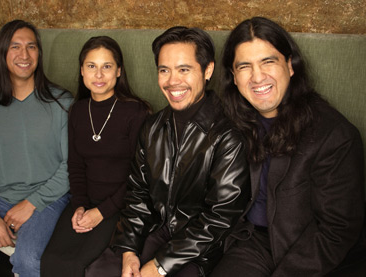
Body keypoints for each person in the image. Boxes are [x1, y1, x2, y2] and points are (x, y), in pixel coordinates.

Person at [84, 26, 250, 277]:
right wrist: (129, 249)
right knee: (101, 272)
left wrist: (160, 265)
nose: (173, 81)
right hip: (158, 229)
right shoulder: (152, 127)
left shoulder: (227, 135)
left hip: (202, 248)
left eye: (184, 69)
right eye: (164, 70)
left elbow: (220, 217)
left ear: (207, 70)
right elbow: (138, 195)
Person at [211, 17, 365, 276]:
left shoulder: (334, 134)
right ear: (234, 77)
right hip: (252, 243)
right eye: (245, 66)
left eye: (268, 61)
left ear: (290, 65)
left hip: (311, 254)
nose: (258, 76)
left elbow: (337, 230)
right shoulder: (233, 123)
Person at [0, 20, 72, 276]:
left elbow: (71, 167)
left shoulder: (62, 103)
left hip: (47, 201)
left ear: (39, 53)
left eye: (31, 47)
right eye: (15, 47)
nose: (24, 55)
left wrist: (31, 203)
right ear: (2, 53)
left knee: (29, 261)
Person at [40, 36, 150, 277]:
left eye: (107, 66)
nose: (99, 75)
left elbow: (142, 176)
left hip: (122, 206)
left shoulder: (136, 112)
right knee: (50, 261)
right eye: (92, 66)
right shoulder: (78, 111)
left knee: (77, 265)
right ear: (81, 71)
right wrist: (79, 205)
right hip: (84, 202)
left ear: (119, 71)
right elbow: (76, 165)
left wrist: (102, 212)